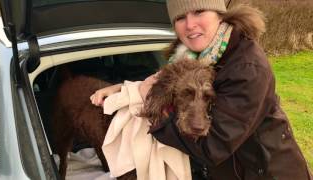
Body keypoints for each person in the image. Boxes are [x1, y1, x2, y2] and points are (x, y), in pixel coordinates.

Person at [90, 0, 313, 179]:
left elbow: (211, 146)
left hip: (267, 171)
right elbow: (166, 81)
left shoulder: (247, 68)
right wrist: (125, 90)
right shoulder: (191, 55)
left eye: (198, 11)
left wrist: (151, 105)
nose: (189, 25)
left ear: (219, 13)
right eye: (180, 17)